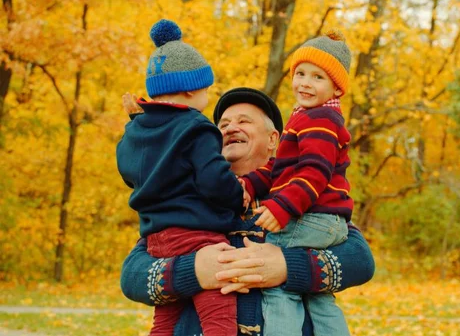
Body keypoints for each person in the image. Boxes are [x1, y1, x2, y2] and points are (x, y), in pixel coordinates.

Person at [120, 87, 375, 336]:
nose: (231, 128)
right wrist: (194, 270)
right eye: (223, 125)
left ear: (274, 140)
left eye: (244, 121)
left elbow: (360, 260)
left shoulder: (299, 196)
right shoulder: (187, 200)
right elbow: (132, 276)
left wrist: (288, 266)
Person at [116, 19, 244, 336]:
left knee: (164, 322)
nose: (207, 97)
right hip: (197, 235)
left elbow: (127, 168)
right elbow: (214, 180)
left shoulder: (137, 130)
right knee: (218, 318)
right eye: (206, 89)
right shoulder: (196, 127)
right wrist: (238, 195)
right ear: (189, 88)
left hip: (157, 239)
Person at [240, 31, 353, 336]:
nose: (304, 82)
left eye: (317, 77)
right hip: (328, 220)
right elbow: (278, 170)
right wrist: (250, 185)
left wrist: (281, 208)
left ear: (336, 88)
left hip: (312, 216)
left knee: (276, 282)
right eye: (300, 73)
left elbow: (315, 172)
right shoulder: (307, 118)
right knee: (320, 297)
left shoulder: (319, 119)